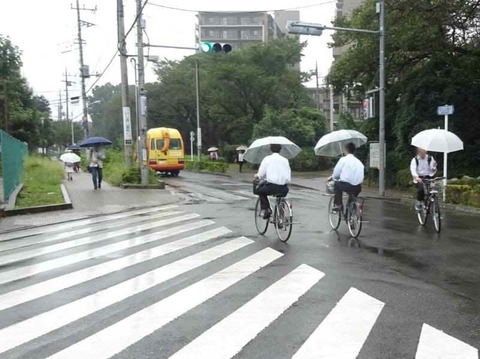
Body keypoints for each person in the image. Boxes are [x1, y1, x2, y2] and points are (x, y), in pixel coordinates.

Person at [255, 144, 291, 219]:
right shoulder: (285, 160)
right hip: (284, 187)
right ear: (280, 149)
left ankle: (266, 209)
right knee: (280, 197)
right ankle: (281, 217)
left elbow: (261, 173)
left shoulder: (267, 159)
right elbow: (288, 175)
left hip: (272, 186)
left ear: (270, 149)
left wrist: (257, 176)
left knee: (259, 191)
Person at [328, 142, 364, 211]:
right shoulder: (359, 162)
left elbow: (336, 174)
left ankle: (339, 205)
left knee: (337, 185)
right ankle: (351, 211)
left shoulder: (343, 160)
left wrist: (332, 177)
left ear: (345, 150)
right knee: (352, 197)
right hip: (358, 187)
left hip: (346, 185)